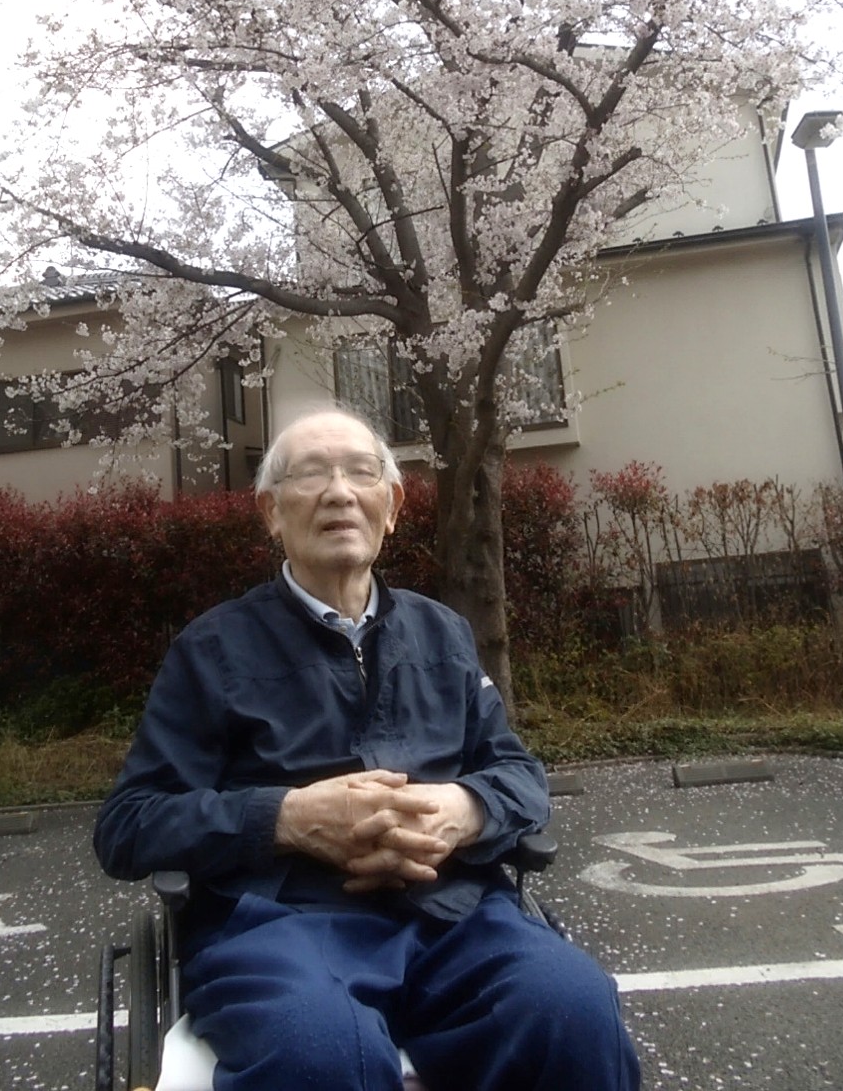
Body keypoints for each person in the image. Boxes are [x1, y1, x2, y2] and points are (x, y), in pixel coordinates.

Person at [94, 408, 640, 1091]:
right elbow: (129, 824)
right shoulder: (211, 649)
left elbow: (517, 773)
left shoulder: (441, 632)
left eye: (360, 472)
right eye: (310, 474)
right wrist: (285, 818)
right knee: (321, 1054)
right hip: (278, 929)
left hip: (454, 916)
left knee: (571, 1010)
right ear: (271, 512)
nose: (339, 492)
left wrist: (463, 809)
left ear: (392, 507)